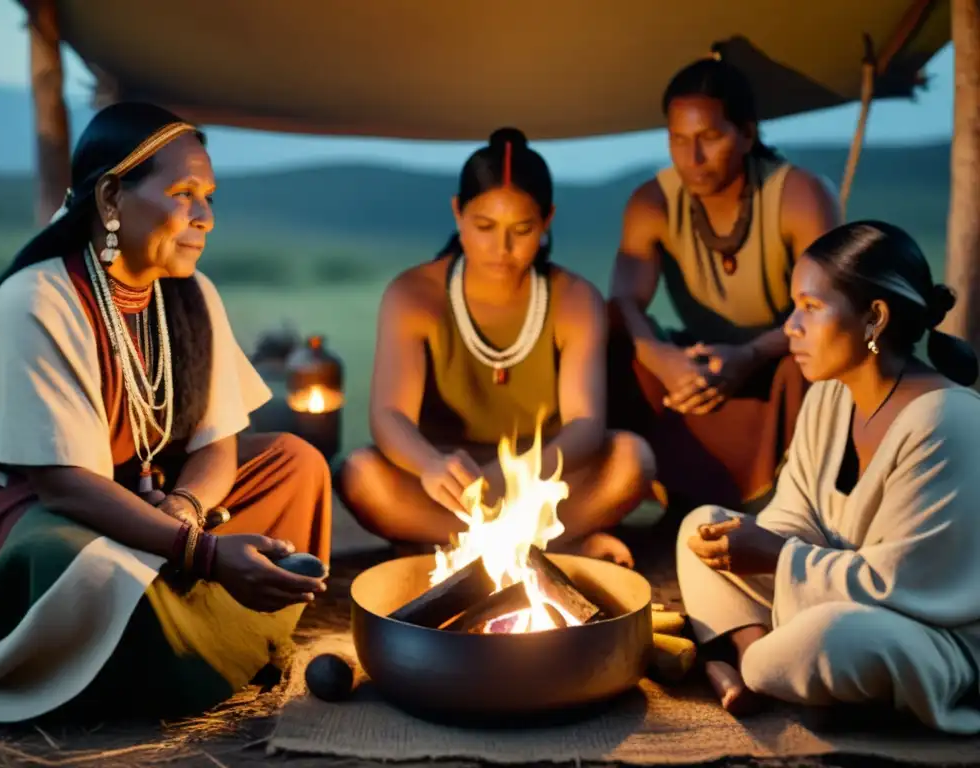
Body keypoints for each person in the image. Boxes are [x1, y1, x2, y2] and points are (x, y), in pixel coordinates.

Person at [0, 102, 332, 724]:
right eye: (186, 194)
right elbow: (66, 486)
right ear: (110, 198)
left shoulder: (192, 293)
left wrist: (187, 511)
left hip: (159, 506)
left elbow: (218, 444)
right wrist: (203, 553)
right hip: (48, 518)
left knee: (298, 464)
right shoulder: (39, 299)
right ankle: (191, 636)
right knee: (86, 569)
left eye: (209, 196)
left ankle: (178, 614)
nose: (206, 218)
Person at [676, 221, 980, 733]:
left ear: (873, 319)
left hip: (930, 632)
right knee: (700, 529)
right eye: (795, 307)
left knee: (826, 639)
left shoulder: (946, 421)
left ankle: (748, 664)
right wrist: (761, 545)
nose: (791, 326)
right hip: (828, 592)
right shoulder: (829, 396)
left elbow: (899, 583)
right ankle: (759, 660)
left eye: (811, 308)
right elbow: (793, 514)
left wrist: (775, 556)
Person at [337, 128, 654, 567]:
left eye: (521, 230)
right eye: (484, 226)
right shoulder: (414, 294)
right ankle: (552, 546)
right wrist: (430, 465)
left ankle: (443, 549)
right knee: (361, 475)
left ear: (547, 220)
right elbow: (390, 415)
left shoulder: (573, 298)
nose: (501, 248)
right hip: (446, 483)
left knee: (631, 460)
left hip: (543, 476)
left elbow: (585, 424)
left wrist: (514, 477)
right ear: (457, 213)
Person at [607, 56, 841, 517]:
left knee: (821, 356)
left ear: (748, 134)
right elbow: (623, 303)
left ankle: (783, 513)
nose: (692, 158)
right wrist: (664, 360)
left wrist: (750, 355)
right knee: (613, 338)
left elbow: (826, 308)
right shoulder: (652, 202)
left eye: (710, 138)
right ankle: (669, 503)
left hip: (781, 353)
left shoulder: (799, 194)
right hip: (702, 362)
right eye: (679, 140)